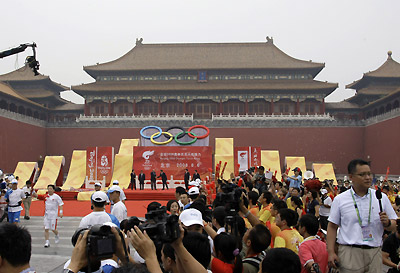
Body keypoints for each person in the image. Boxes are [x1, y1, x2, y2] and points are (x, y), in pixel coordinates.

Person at [327, 159, 397, 273]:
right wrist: (331, 252)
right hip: (349, 252)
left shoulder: (381, 197)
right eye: (362, 174)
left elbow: (393, 225)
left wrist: (388, 223)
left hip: (374, 252)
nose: (368, 177)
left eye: (369, 174)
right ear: (351, 177)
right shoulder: (340, 199)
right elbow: (332, 227)